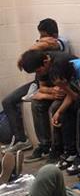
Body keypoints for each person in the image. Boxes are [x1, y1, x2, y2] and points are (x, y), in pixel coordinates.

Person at [1, 19, 70, 155]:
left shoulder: (60, 43)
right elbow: (41, 86)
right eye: (39, 36)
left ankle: (54, 148)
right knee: (8, 101)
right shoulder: (42, 50)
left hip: (57, 83)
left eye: (43, 36)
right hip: (41, 84)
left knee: (44, 105)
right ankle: (22, 140)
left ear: (54, 35)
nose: (40, 39)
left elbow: (50, 44)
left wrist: (24, 55)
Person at [17, 51, 77, 164]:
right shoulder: (40, 64)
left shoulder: (60, 62)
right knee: (36, 103)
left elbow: (68, 90)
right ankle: (44, 145)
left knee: (55, 107)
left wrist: (51, 93)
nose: (38, 73)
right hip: (57, 92)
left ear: (46, 62)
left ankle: (58, 147)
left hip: (69, 92)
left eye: (38, 71)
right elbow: (42, 87)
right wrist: (50, 92)